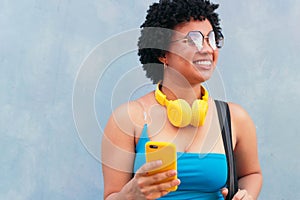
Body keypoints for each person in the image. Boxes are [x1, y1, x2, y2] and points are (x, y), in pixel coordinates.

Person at [101, 0, 263, 199]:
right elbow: (111, 196)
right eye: (192, 40)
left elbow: (252, 174)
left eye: (211, 39)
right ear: (162, 53)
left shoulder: (234, 118)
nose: (207, 49)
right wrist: (130, 194)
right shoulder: (128, 118)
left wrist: (247, 195)